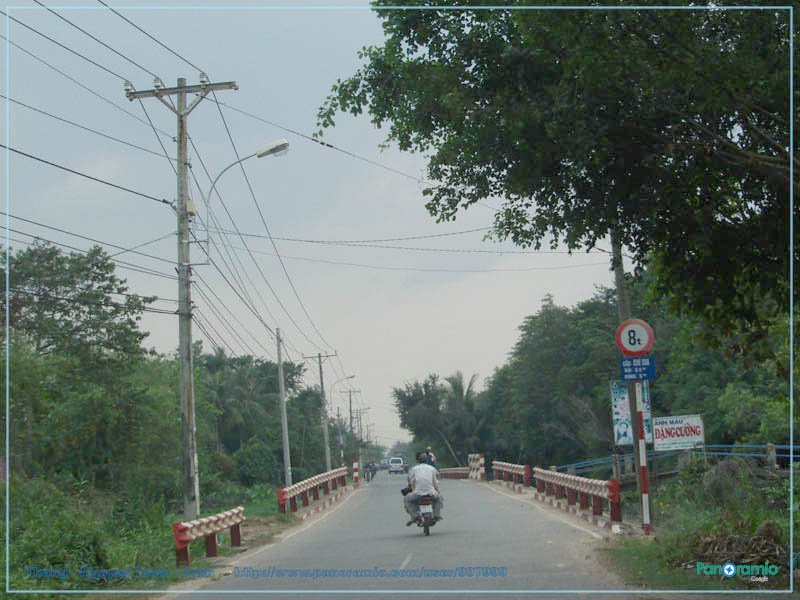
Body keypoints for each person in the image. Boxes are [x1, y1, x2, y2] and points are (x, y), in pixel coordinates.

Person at [404, 451, 443, 525]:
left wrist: (411, 488)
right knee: (439, 498)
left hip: (418, 493)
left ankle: (415, 516)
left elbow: (411, 480)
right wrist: (437, 490)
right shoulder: (432, 468)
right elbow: (435, 481)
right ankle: (436, 515)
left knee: (407, 499)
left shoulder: (414, 469)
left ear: (417, 460)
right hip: (431, 493)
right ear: (426, 460)